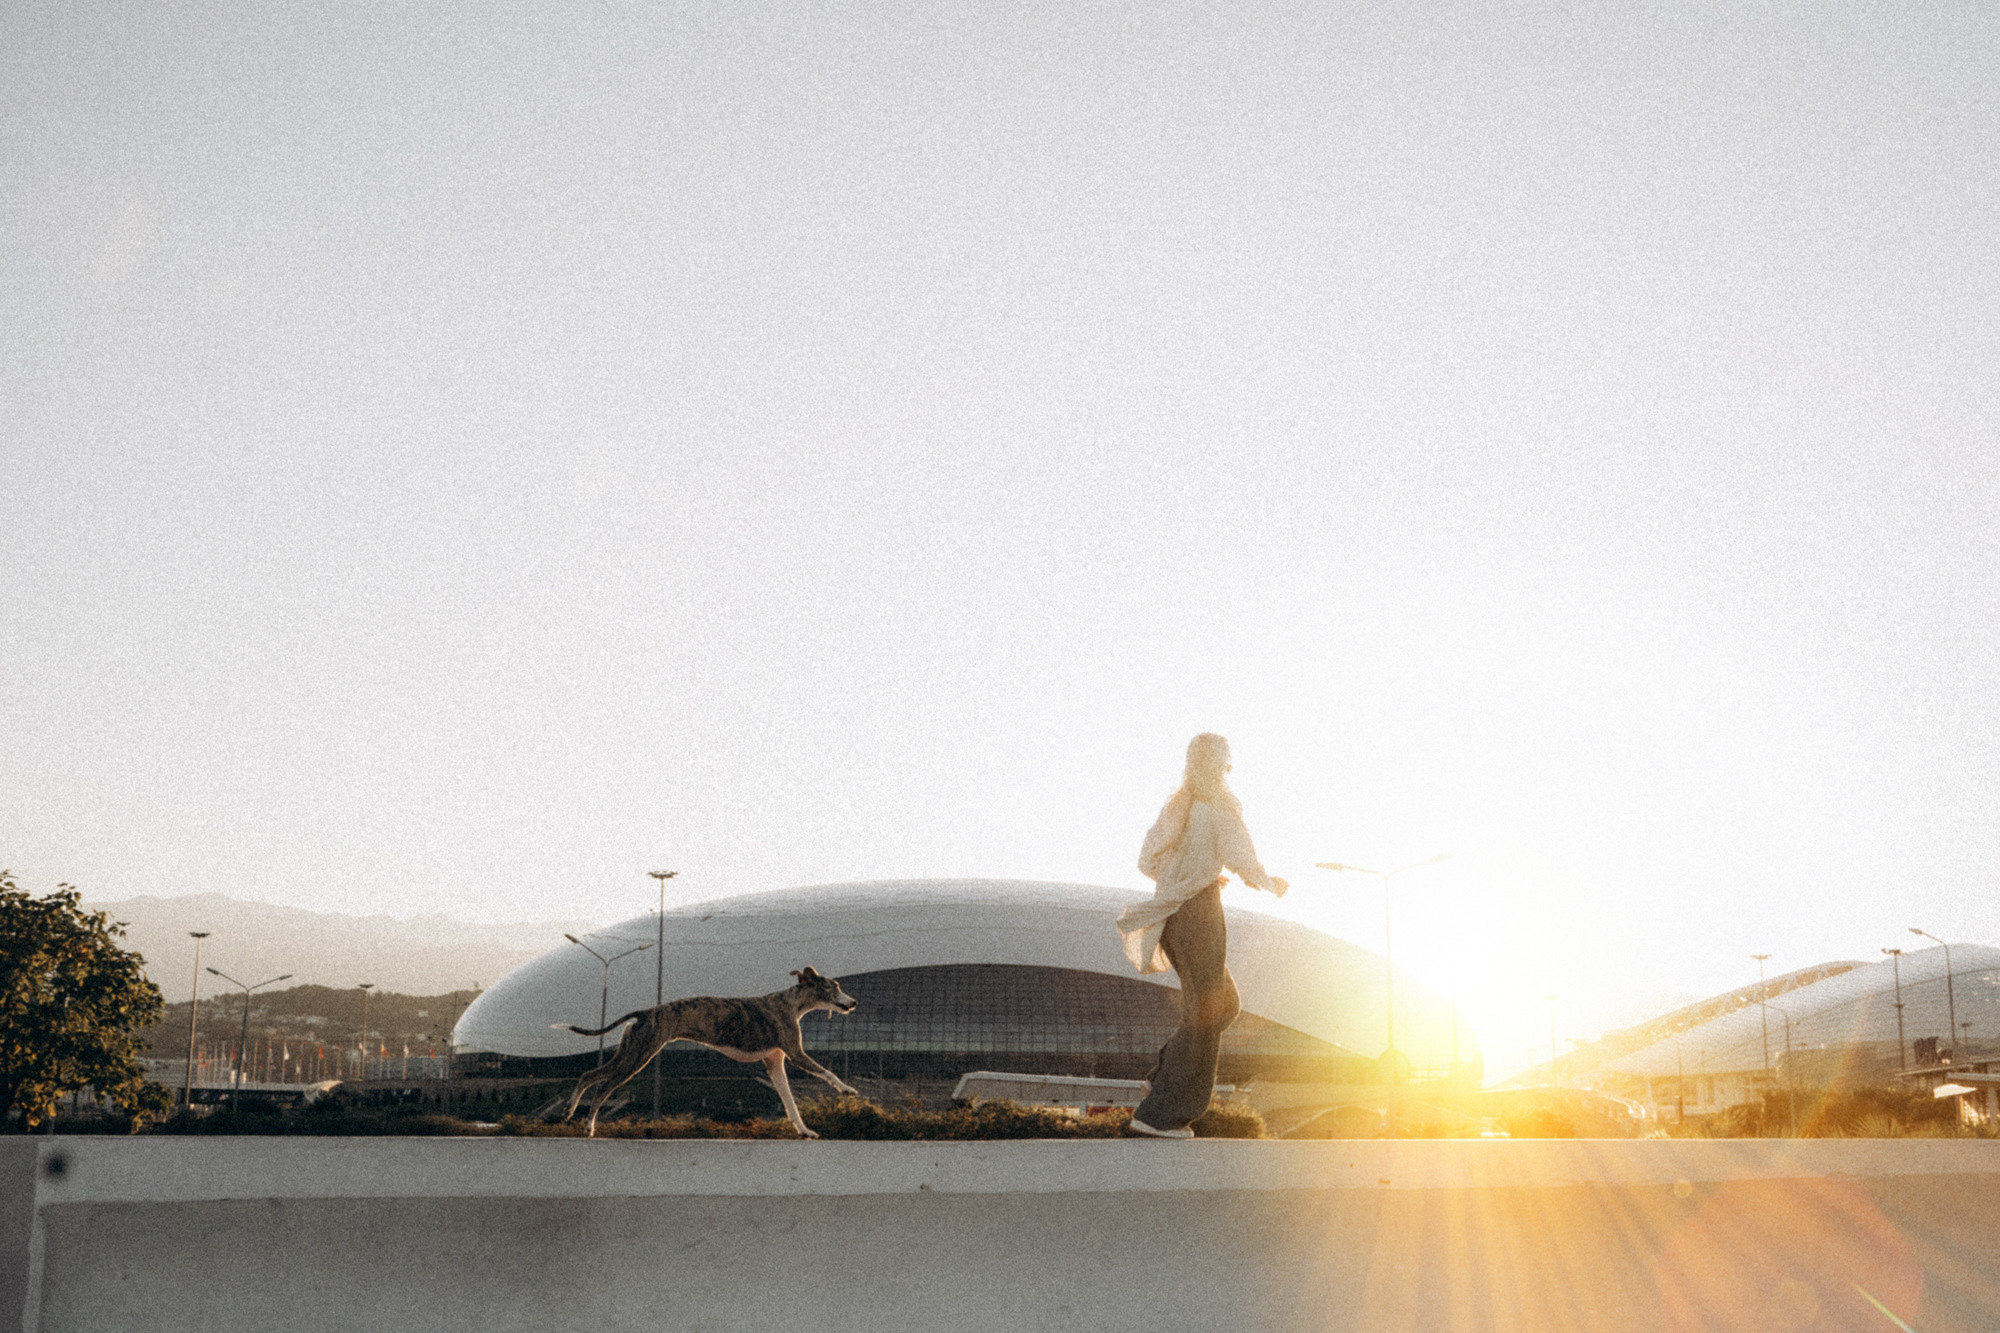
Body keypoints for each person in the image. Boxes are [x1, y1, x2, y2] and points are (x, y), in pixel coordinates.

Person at [1116, 733, 1288, 1138]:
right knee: (1208, 1010)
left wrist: (1184, 876)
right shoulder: (1217, 805)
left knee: (1222, 1003)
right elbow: (1240, 853)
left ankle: (1163, 1077)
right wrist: (1267, 880)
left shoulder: (1178, 805)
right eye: (1227, 766)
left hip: (1175, 912)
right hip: (1198, 912)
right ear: (1222, 766)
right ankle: (1162, 1115)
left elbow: (1147, 861)